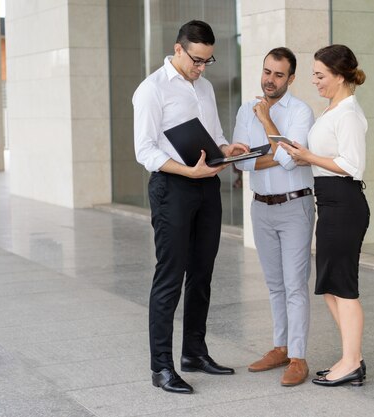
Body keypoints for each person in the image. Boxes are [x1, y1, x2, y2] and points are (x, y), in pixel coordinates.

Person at [132, 20, 248, 395]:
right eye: (197, 60)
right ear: (178, 49)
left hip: (206, 185)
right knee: (169, 277)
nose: (201, 68)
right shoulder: (151, 90)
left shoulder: (206, 86)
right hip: (173, 187)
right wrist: (186, 171)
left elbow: (213, 136)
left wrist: (227, 148)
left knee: (202, 274)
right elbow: (145, 150)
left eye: (207, 62)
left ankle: (194, 353)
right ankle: (161, 367)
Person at [279, 44, 370, 387]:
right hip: (331, 204)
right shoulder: (333, 109)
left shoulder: (347, 113)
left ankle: (351, 362)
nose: (314, 81)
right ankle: (352, 357)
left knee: (343, 287)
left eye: (319, 75)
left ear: (339, 75)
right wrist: (305, 158)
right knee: (331, 286)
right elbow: (331, 159)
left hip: (345, 206)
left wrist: (309, 157)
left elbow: (352, 165)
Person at [232, 47, 315, 386]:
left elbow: (292, 159)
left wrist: (266, 119)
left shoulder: (301, 111)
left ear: (290, 78)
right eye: (267, 71)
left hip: (295, 206)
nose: (270, 79)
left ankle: (298, 357)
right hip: (260, 206)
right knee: (275, 284)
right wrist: (276, 153)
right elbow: (238, 161)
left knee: (295, 285)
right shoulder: (243, 109)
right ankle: (280, 347)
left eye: (279, 74)